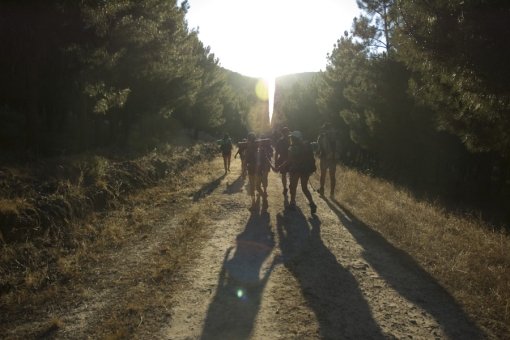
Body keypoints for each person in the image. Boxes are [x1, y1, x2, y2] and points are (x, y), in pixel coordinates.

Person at [277, 131, 317, 214]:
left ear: (293, 138)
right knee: (305, 188)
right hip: (305, 170)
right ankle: (312, 203)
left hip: (296, 170)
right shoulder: (306, 146)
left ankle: (292, 203)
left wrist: (281, 166)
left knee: (293, 187)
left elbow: (288, 161)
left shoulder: (292, 148)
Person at [242, 132, 268, 211]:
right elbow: (264, 158)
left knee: (252, 187)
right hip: (259, 169)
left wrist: (243, 170)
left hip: (251, 169)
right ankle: (264, 198)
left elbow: (245, 160)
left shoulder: (247, 148)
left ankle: (253, 204)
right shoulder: (260, 147)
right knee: (258, 187)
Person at [317, 122, 341, 198]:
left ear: (324, 128)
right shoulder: (336, 135)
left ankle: (322, 190)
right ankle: (332, 193)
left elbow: (318, 147)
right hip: (334, 157)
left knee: (323, 175)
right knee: (332, 176)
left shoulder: (322, 135)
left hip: (325, 157)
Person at [274, 127, 290, 195]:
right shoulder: (291, 140)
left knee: (283, 175)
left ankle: (284, 187)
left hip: (282, 159)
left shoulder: (279, 141)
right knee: (292, 175)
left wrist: (276, 162)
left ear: (282, 133)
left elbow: (276, 152)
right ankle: (291, 186)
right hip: (291, 160)